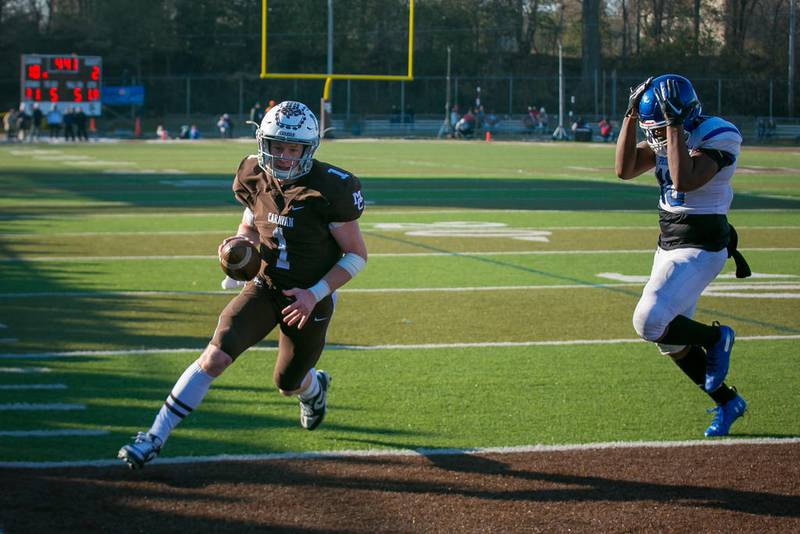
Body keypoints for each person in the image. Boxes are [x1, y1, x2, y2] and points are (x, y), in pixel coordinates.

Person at [118, 100, 368, 469]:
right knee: (215, 356)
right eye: (276, 146)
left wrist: (313, 294)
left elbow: (356, 255)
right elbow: (250, 226)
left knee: (288, 382)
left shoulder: (330, 188)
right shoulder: (254, 173)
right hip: (265, 286)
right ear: (262, 142)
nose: (283, 156)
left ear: (308, 148)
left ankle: (313, 390)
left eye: (293, 148)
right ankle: (154, 437)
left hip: (308, 299)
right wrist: (240, 247)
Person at [615, 74, 751, 438]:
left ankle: (716, 337)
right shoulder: (668, 134)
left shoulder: (719, 134)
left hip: (702, 245)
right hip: (668, 242)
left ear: (683, 115)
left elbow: (684, 180)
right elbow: (624, 169)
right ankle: (728, 402)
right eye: (653, 130)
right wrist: (629, 117)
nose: (656, 138)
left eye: (661, 129)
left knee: (648, 321)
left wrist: (673, 125)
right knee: (671, 339)